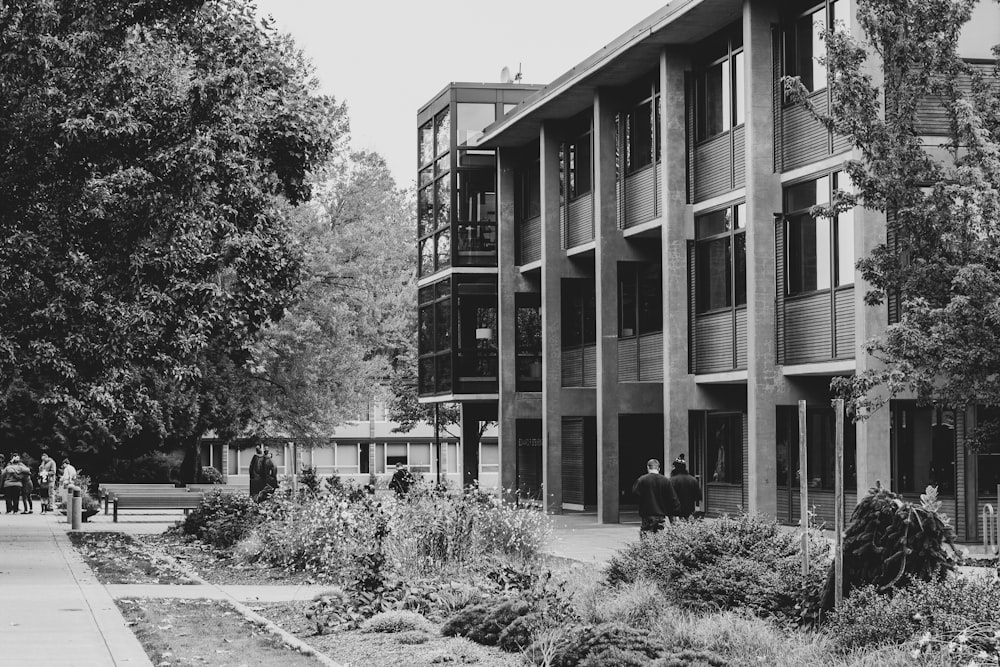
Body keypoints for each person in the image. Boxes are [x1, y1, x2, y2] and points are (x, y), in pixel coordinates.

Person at [632, 458, 680, 536]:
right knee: (659, 539)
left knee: (646, 539)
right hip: (661, 515)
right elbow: (673, 499)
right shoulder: (666, 481)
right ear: (659, 468)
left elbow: (635, 495)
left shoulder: (642, 480)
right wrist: (675, 513)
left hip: (647, 515)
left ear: (648, 467)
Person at [669, 454, 703, 520]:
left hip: (676, 513)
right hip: (690, 512)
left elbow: (668, 497)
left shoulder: (672, 480)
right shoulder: (693, 480)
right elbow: (698, 496)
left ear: (676, 467)